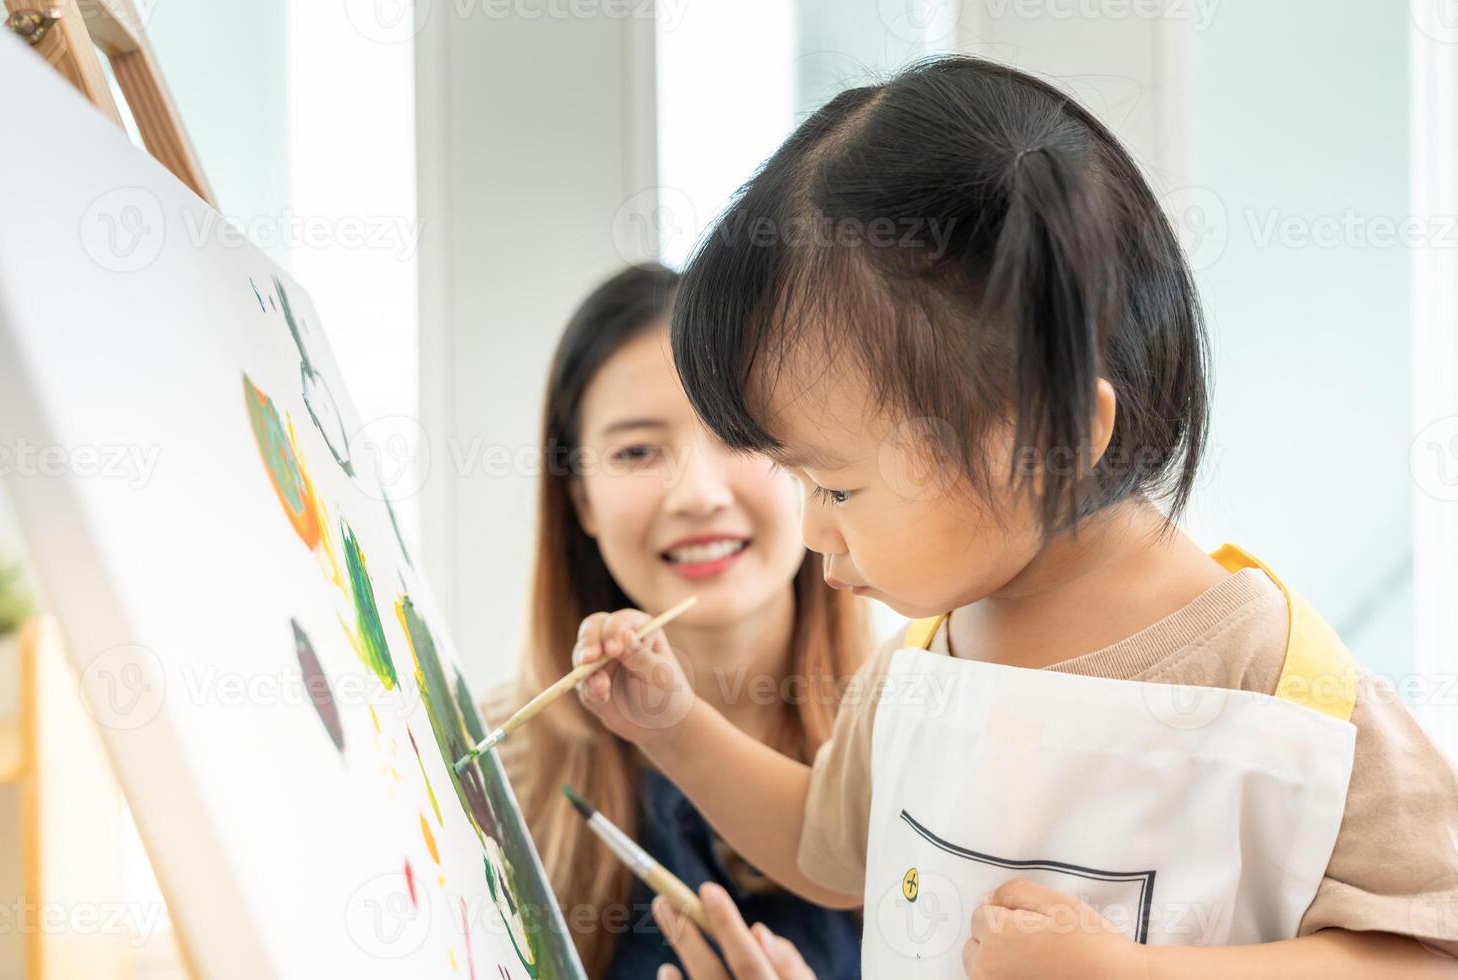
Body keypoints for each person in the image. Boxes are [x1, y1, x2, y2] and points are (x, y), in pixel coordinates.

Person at [571, 57, 1458, 977]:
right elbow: (825, 848)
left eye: (835, 488)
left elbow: (1428, 951)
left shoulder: (1274, 681)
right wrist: (672, 725)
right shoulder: (922, 667)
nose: (812, 533)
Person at [489, 264, 869, 978]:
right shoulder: (498, 773)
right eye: (637, 452)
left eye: (740, 434)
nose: (698, 495)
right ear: (579, 500)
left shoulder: (923, 743)